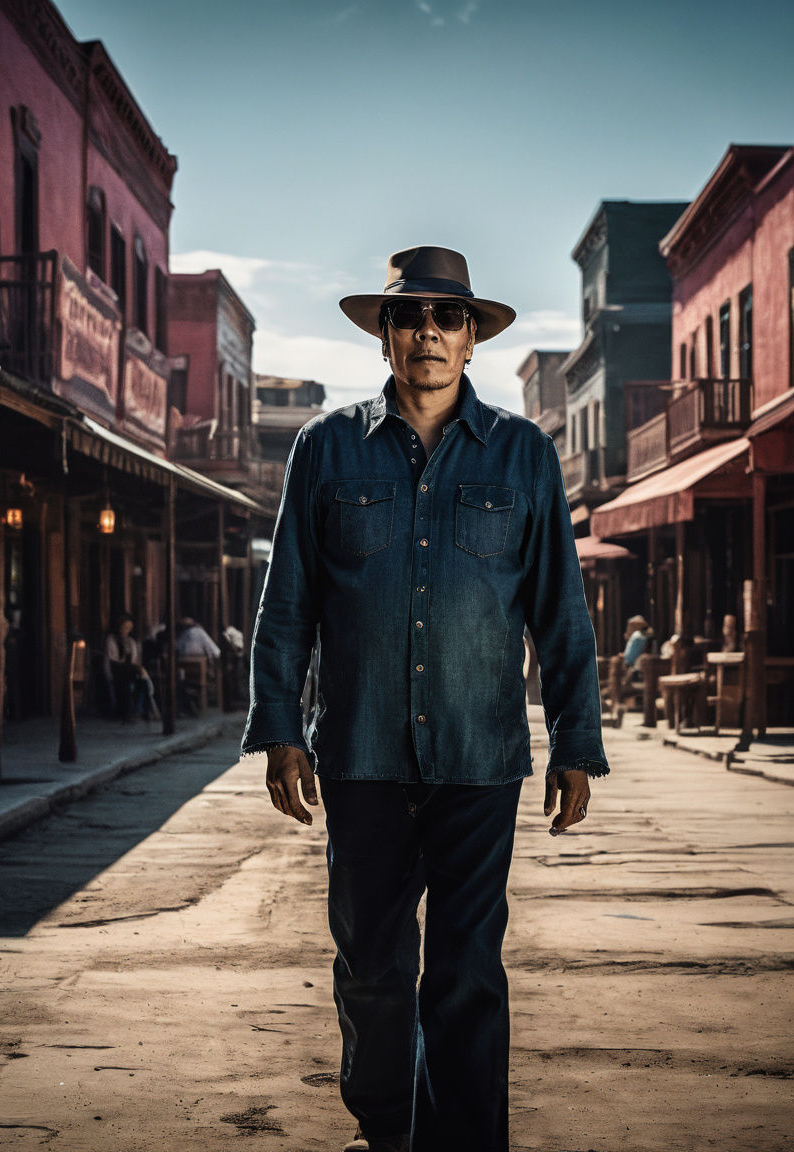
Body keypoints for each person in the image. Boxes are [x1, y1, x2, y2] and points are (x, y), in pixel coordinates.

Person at [242, 246, 609, 1152]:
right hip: (360, 757)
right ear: (386, 337)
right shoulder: (324, 448)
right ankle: (385, 1129)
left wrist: (575, 740)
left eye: (449, 319)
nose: (429, 334)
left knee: (466, 974)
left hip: (480, 760)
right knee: (370, 968)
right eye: (410, 319)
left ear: (473, 340)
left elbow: (560, 606)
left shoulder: (523, 455)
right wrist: (280, 729)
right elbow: (286, 600)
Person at [105, 612, 159, 721]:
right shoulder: (111, 639)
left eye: (129, 628)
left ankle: (137, 711)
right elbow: (113, 660)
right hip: (115, 670)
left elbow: (134, 660)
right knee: (138, 676)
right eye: (125, 627)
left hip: (129, 671)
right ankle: (149, 710)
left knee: (142, 683)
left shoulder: (131, 641)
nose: (126, 630)